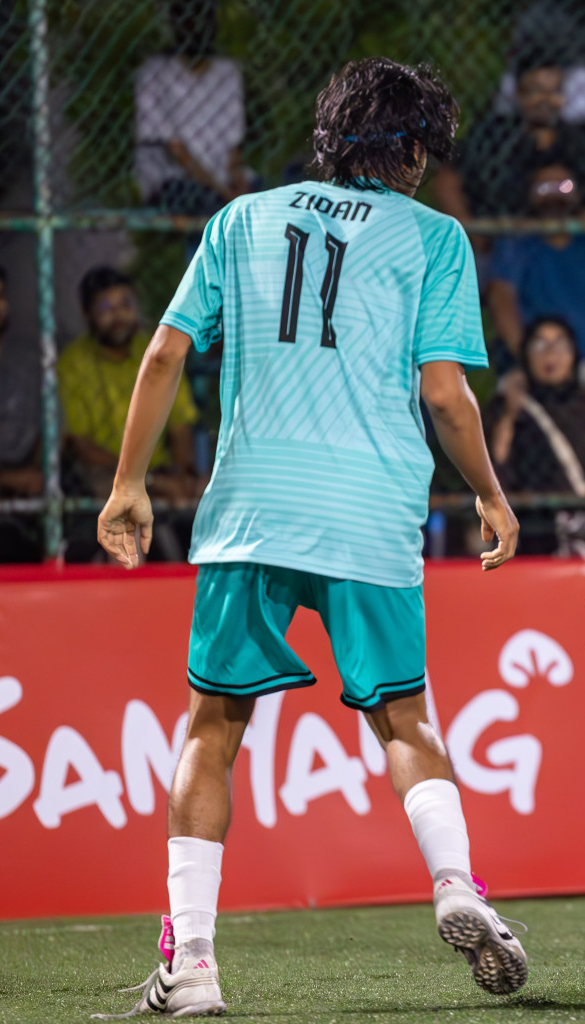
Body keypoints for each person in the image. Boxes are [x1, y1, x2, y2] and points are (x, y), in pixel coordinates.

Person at [91, 57, 526, 1017]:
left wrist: (129, 484)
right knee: (404, 719)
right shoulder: (435, 238)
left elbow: (165, 349)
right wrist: (492, 496)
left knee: (214, 730)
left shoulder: (240, 218)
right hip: (371, 510)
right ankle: (456, 884)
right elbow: (446, 394)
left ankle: (194, 964)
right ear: (409, 150)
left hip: (253, 508)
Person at [487, 316, 585, 554]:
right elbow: (492, 478)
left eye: (560, 345)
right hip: (526, 539)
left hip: (584, 538)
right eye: (539, 345)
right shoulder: (505, 409)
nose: (550, 354)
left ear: (574, 356)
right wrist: (508, 416)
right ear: (525, 355)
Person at [58, 267, 199, 504]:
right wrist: (144, 479)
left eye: (126, 304)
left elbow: (180, 425)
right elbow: (79, 442)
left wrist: (183, 473)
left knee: (210, 489)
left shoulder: (157, 352)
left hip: (159, 470)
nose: (118, 316)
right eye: (105, 308)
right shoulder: (73, 363)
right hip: (105, 472)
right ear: (87, 314)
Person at [484, 161, 585, 378]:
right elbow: (501, 300)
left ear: (577, 195)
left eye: (564, 187)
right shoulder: (515, 246)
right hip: (527, 363)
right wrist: (528, 361)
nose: (554, 196)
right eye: (543, 188)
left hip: (583, 365)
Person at [433, 57, 585, 221]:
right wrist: (472, 232)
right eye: (537, 91)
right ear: (520, 94)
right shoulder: (493, 135)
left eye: (554, 91)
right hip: (498, 237)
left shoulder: (574, 139)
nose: (546, 100)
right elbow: (447, 181)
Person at [134, 0, 251, 215]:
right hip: (173, 180)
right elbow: (176, 152)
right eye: (187, 21)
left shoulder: (227, 72)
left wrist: (237, 183)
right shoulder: (154, 73)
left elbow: (235, 146)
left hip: (222, 181)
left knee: (277, 194)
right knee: (211, 208)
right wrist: (227, 195)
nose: (195, 28)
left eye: (201, 19)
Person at [0, 257, 43, 563]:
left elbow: (54, 425)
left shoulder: (29, 359)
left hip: (31, 474)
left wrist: (40, 470)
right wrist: (1, 477)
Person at [495, 0, 585, 124]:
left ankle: (580, 137)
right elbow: (523, 60)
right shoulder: (543, 13)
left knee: (584, 77)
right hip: (550, 79)